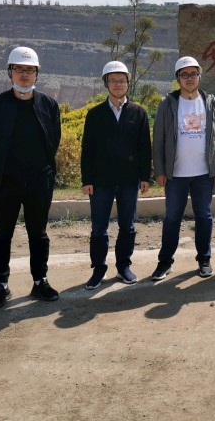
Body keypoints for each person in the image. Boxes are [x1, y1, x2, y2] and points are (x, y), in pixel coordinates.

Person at [0, 46, 61, 309]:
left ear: (37, 74)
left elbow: (53, 141)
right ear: (10, 72)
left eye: (30, 70)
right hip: (5, 182)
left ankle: (40, 281)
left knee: (38, 234)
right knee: (2, 234)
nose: (24, 74)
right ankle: (0, 285)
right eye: (19, 69)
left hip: (39, 181)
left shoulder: (49, 105)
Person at [151, 56, 215, 281]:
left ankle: (204, 259)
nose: (190, 78)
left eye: (193, 74)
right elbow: (158, 139)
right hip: (176, 175)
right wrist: (160, 171)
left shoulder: (211, 102)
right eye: (185, 75)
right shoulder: (168, 103)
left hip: (204, 173)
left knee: (204, 216)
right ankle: (165, 262)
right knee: (172, 218)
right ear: (178, 79)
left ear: (199, 77)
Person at [80, 61, 151, 289]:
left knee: (127, 226)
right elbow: (87, 149)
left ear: (128, 83)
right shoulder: (95, 114)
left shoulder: (138, 113)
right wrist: (87, 180)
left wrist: (144, 176)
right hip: (101, 181)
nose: (118, 84)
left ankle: (123, 267)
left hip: (129, 180)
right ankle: (98, 269)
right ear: (106, 84)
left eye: (122, 80)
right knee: (99, 228)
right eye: (113, 80)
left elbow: (144, 147)